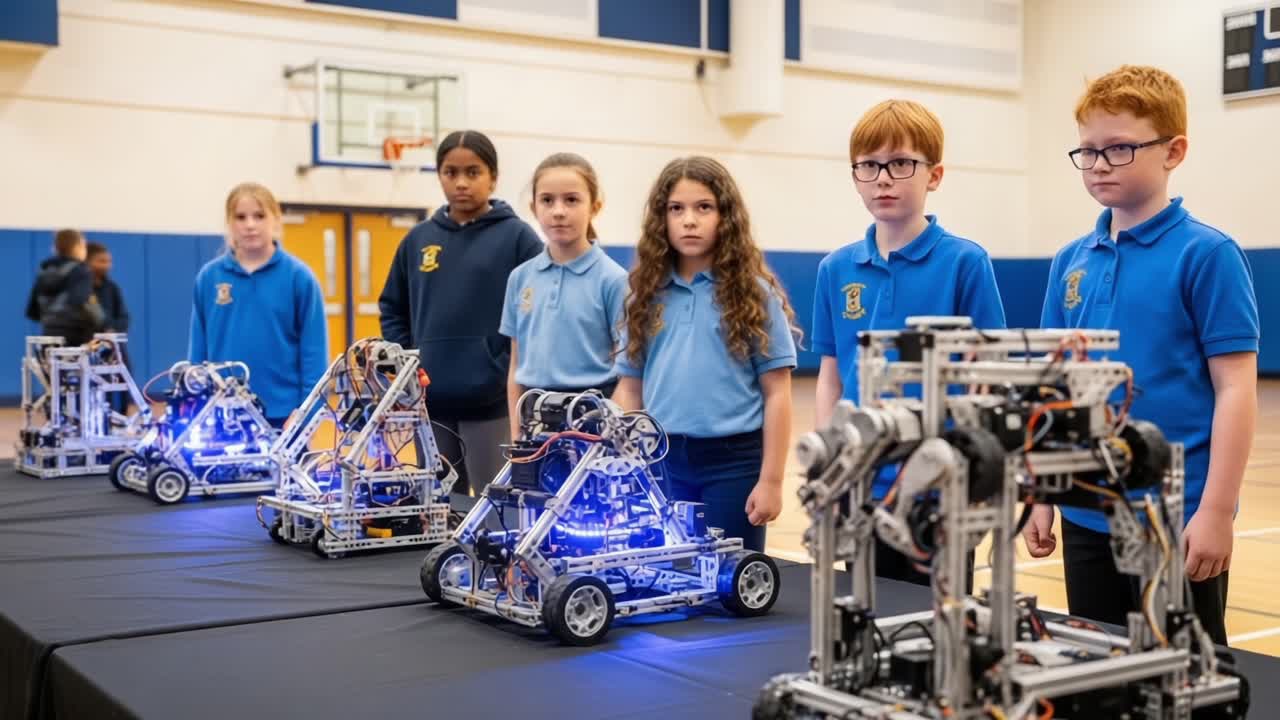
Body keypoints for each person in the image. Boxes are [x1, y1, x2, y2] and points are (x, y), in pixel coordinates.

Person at [1022, 66, 1259, 646]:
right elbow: (1056, 386)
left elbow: (1236, 389)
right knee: (1101, 671)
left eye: (1120, 148)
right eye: (1088, 150)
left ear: (1173, 150)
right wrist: (1040, 492)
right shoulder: (1069, 261)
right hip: (1084, 512)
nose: (1099, 163)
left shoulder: (1208, 254)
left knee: (1185, 679)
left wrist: (1217, 512)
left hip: (1173, 518)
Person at [812, 99, 1006, 587]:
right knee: (865, 615)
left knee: (940, 623)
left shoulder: (965, 262)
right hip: (861, 483)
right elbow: (831, 376)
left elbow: (989, 376)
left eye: (900, 164)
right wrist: (828, 464)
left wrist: (976, 472)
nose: (883, 178)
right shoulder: (836, 269)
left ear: (933, 175)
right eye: (869, 166)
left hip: (938, 487)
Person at [613, 156, 800, 553]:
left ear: (725, 217)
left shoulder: (754, 295)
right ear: (661, 219)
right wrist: (633, 463)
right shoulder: (643, 296)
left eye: (704, 208)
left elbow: (778, 394)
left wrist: (771, 481)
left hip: (734, 465)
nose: (690, 220)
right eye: (676, 209)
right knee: (664, 579)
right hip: (661, 462)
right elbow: (630, 389)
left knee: (730, 587)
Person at [379, 130, 543, 494]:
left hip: (492, 406)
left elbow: (539, 315)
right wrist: (410, 362)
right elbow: (392, 307)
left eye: (473, 172)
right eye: (450, 173)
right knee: (438, 509)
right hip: (430, 407)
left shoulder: (519, 239)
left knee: (495, 508)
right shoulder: (418, 240)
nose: (461, 183)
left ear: (493, 177)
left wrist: (501, 365)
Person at [499, 152, 628, 441]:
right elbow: (516, 365)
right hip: (533, 416)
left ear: (595, 206)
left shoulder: (613, 279)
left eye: (571, 200)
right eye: (547, 200)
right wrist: (517, 433)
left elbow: (628, 372)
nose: (558, 211)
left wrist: (608, 434)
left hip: (591, 417)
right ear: (534, 208)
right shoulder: (520, 278)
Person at [189, 182, 328, 428]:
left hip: (283, 415)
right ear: (229, 223)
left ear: (276, 219)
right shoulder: (209, 277)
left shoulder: (299, 278)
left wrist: (307, 412)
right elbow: (197, 352)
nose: (250, 225)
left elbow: (314, 354)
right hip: (220, 412)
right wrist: (194, 403)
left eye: (259, 216)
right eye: (241, 217)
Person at [25, 229, 101, 346]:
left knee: (51, 364)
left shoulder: (44, 271)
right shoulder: (81, 271)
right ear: (77, 247)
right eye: (84, 246)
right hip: (76, 336)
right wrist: (102, 323)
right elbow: (81, 302)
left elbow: (32, 311)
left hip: (49, 334)